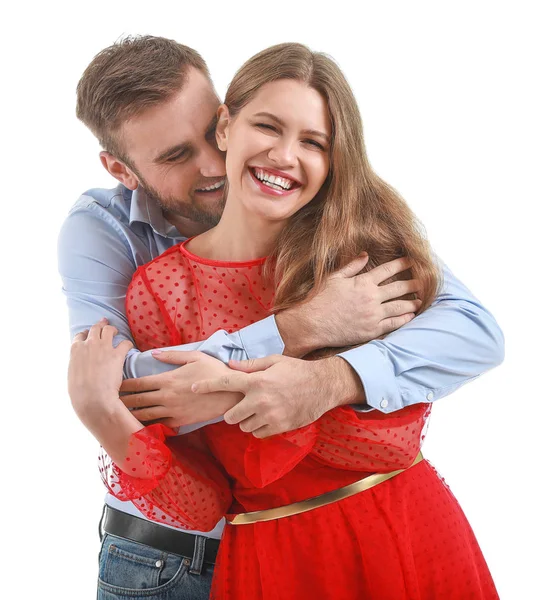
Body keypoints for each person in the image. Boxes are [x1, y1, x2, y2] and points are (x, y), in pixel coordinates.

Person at [60, 36, 504, 599]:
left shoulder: (353, 241)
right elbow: (122, 382)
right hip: (182, 552)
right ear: (121, 169)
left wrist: (323, 382)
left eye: (312, 140)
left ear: (223, 119)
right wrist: (299, 332)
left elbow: (472, 331)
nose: (212, 165)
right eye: (175, 155)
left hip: (405, 536)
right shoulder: (120, 248)